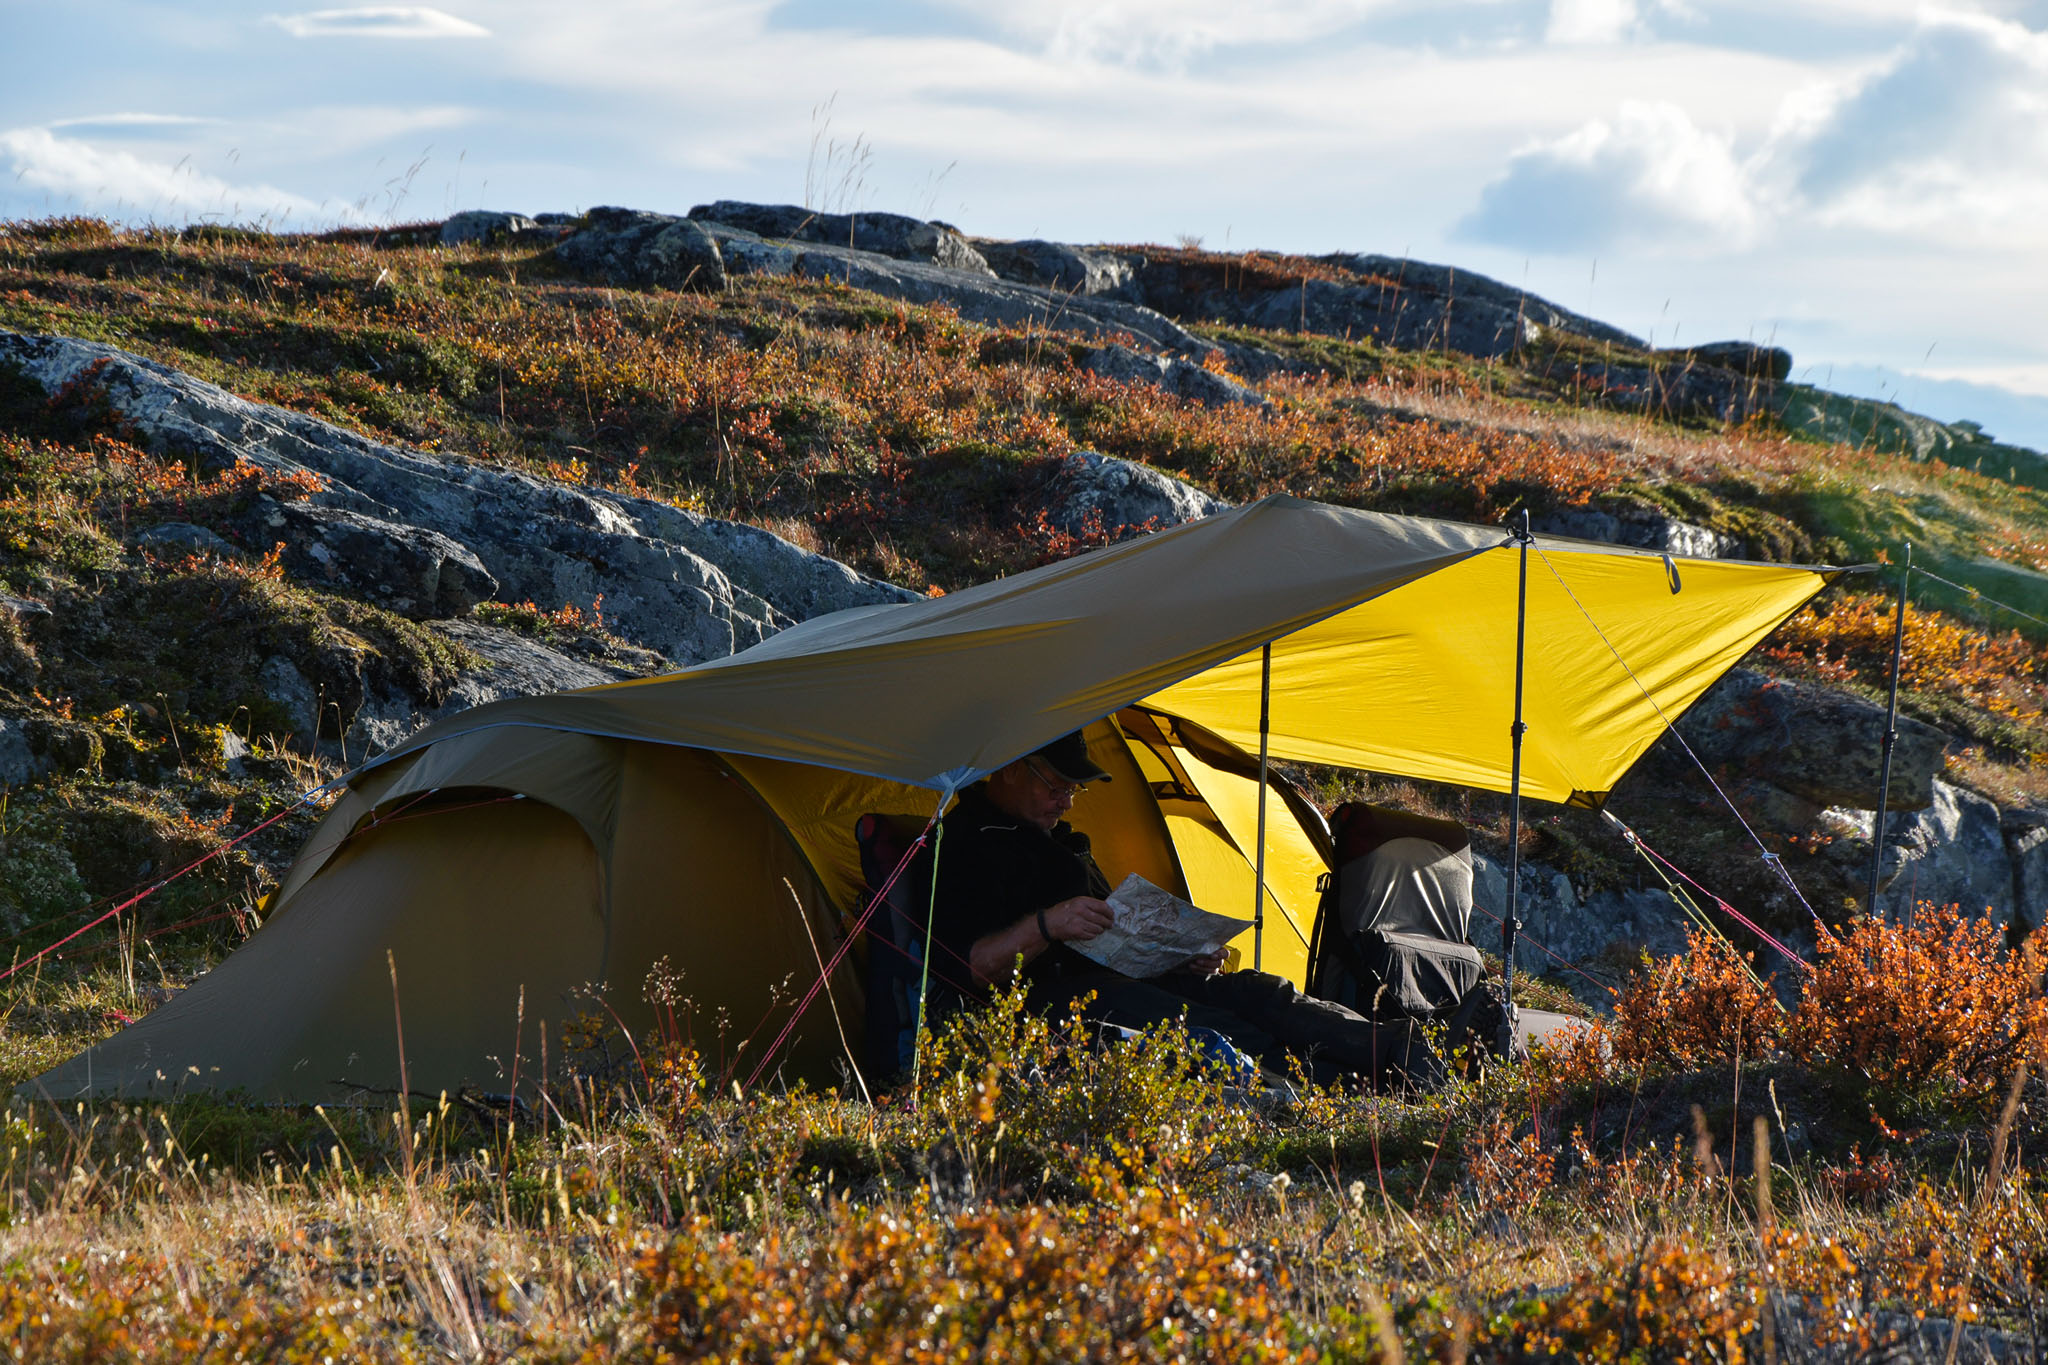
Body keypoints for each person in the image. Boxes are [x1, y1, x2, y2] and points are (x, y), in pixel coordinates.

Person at [925, 731, 1442, 1090]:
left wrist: (1174, 953)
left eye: (1074, 789)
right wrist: (1046, 925)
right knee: (1213, 1026)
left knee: (1257, 992)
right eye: (1058, 786)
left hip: (1123, 980)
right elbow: (969, 967)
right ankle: (1351, 1093)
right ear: (1012, 768)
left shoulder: (1058, 841)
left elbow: (1106, 927)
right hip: (1057, 1004)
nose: (1068, 802)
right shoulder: (964, 846)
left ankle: (1408, 1048)